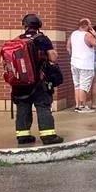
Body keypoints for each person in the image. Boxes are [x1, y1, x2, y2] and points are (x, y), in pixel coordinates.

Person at [12, 14, 64, 146]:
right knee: (42, 106)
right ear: (39, 25)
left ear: (24, 25)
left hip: (21, 82)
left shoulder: (17, 40)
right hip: (39, 81)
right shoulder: (42, 39)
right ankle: (48, 136)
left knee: (23, 106)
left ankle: (23, 136)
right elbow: (53, 57)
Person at [66, 18, 96, 113]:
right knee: (84, 86)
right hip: (85, 64)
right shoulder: (88, 35)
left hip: (74, 63)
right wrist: (95, 35)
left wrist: (75, 55)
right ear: (86, 25)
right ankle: (82, 106)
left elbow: (68, 47)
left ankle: (77, 105)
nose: (91, 26)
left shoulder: (73, 34)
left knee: (77, 85)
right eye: (90, 24)